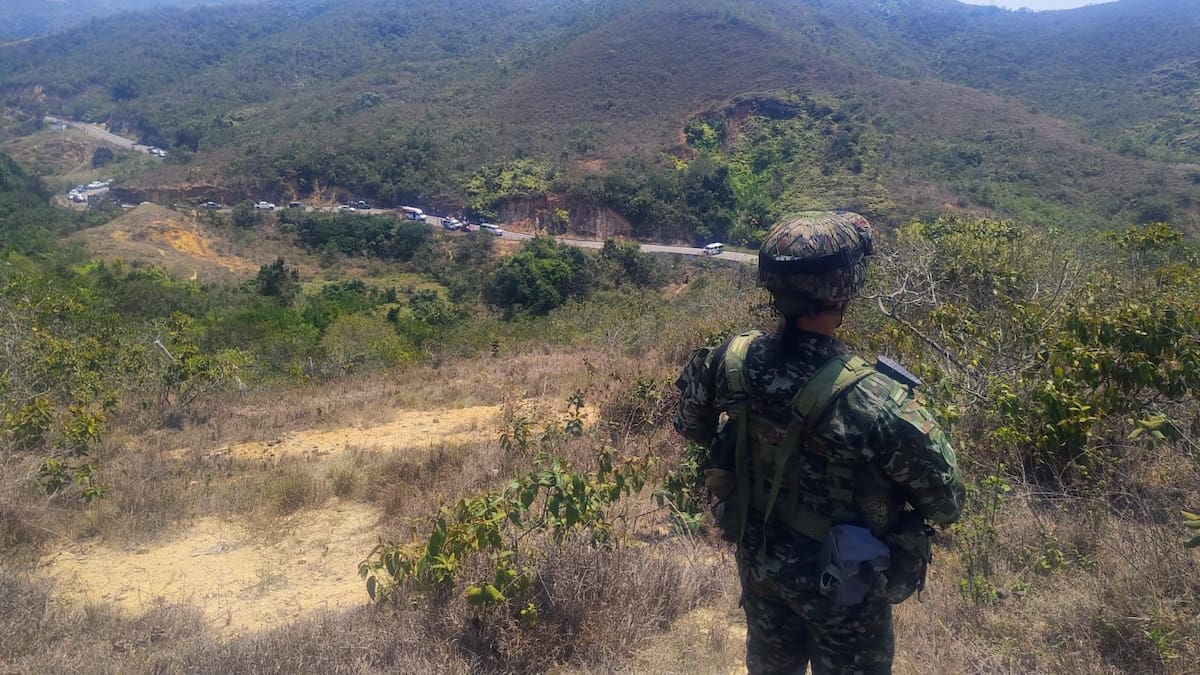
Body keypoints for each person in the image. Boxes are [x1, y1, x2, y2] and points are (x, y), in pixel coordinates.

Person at [673, 211, 965, 674]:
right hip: (845, 589)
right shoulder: (875, 399)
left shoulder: (731, 360)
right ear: (846, 286)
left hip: (760, 564)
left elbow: (690, 425)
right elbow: (948, 503)